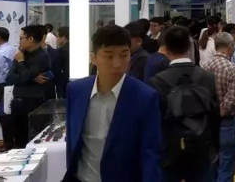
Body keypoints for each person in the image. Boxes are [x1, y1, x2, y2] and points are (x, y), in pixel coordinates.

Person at [64, 25, 162, 182]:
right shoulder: (76, 90)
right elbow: (72, 141)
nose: (117, 64)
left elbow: (150, 152)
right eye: (109, 56)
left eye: (124, 55)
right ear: (93, 58)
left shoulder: (144, 97)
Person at [150, 26, 219, 182]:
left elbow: (155, 121)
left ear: (166, 48)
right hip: (202, 150)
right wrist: (214, 148)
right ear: (189, 46)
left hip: (169, 152)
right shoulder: (207, 77)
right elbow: (215, 116)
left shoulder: (158, 81)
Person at [203, 33, 235, 182]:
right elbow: (231, 100)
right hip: (228, 123)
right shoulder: (232, 69)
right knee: (226, 167)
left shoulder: (205, 67)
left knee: (211, 166)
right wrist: (221, 112)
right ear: (230, 46)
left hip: (209, 124)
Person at [5, 25, 51, 148]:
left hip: (33, 102)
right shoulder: (20, 54)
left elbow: (25, 75)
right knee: (18, 139)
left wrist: (21, 63)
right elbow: (10, 78)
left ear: (31, 39)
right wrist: (32, 77)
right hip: (17, 102)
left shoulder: (42, 56)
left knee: (33, 138)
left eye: (21, 38)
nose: (19, 41)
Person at [0, 27, 15, 150]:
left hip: (3, 86)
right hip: (11, 85)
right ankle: (11, 140)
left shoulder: (1, 53)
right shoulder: (11, 49)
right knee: (9, 113)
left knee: (3, 115)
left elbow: (3, 72)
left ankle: (7, 143)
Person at [55, 26, 70, 99]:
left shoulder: (61, 51)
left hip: (63, 83)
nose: (56, 39)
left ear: (63, 38)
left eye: (58, 36)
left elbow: (57, 69)